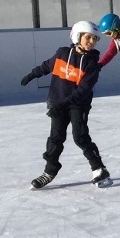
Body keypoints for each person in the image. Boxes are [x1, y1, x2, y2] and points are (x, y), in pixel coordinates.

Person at [20, 21, 111, 189]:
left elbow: (83, 90)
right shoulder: (62, 54)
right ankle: (49, 171)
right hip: (57, 103)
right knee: (55, 138)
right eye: (88, 37)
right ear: (77, 36)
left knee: (80, 137)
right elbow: (47, 66)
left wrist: (63, 105)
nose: (91, 42)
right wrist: (31, 75)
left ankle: (99, 168)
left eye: (94, 39)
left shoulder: (93, 65)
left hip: (78, 105)